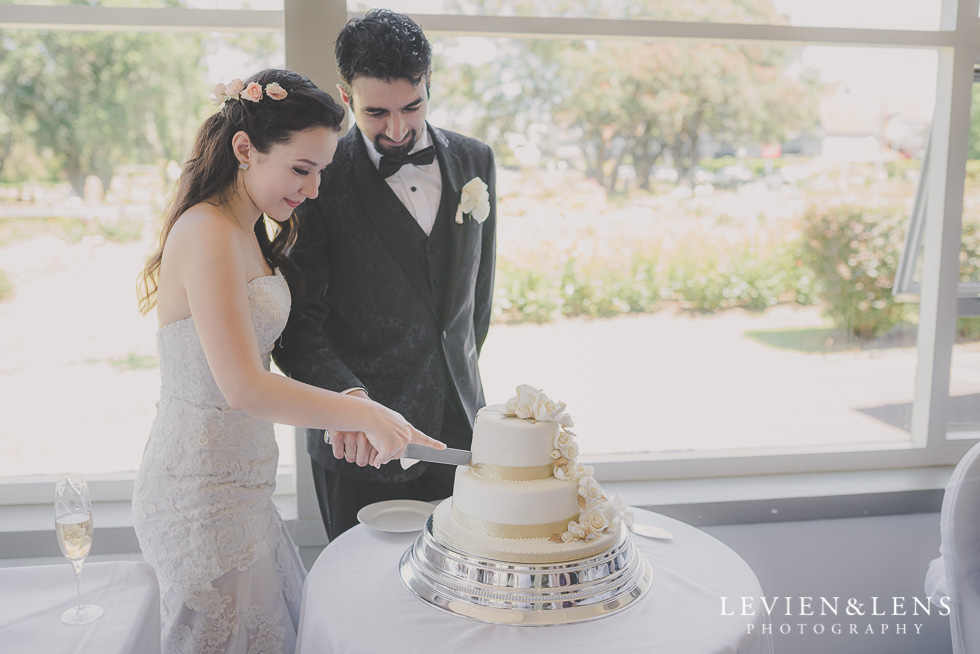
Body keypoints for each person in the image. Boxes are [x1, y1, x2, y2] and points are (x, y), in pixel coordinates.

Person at [132, 68, 443, 654]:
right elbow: (243, 386)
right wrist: (366, 414)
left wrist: (349, 404)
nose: (315, 189)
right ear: (245, 149)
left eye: (321, 171)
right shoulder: (207, 232)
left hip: (242, 492)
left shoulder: (247, 231)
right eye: (302, 169)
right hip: (199, 498)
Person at [273, 9, 497, 542]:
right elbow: (298, 323)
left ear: (428, 84)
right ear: (345, 96)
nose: (397, 129)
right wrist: (348, 402)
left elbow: (477, 298)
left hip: (460, 431)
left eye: (412, 106)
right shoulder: (317, 176)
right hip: (359, 446)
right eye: (376, 112)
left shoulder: (476, 161)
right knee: (368, 607)